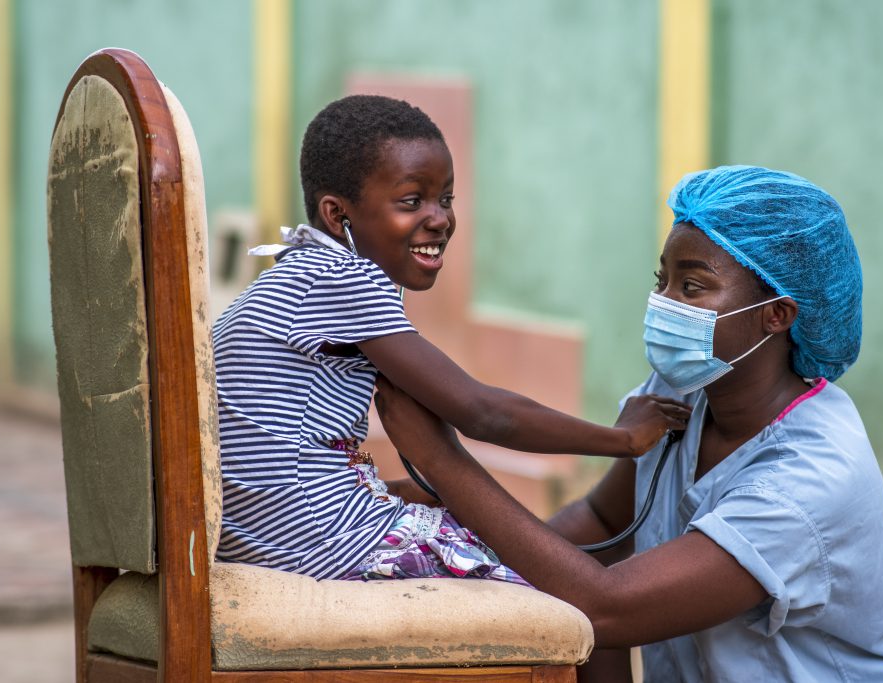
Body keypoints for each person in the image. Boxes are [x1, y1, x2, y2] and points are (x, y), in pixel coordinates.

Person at [373, 166, 883, 681]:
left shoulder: (806, 483)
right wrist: (485, 564)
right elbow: (606, 523)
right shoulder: (687, 391)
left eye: (693, 286)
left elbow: (609, 606)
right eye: (662, 280)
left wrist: (443, 462)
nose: (664, 303)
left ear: (778, 314)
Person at [211, 95, 689, 585]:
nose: (439, 219)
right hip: (321, 543)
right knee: (563, 592)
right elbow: (484, 413)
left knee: (477, 523)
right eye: (411, 201)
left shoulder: (297, 273)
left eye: (446, 199)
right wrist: (623, 439)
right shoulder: (344, 278)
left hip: (264, 536)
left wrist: (395, 487)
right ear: (338, 215)